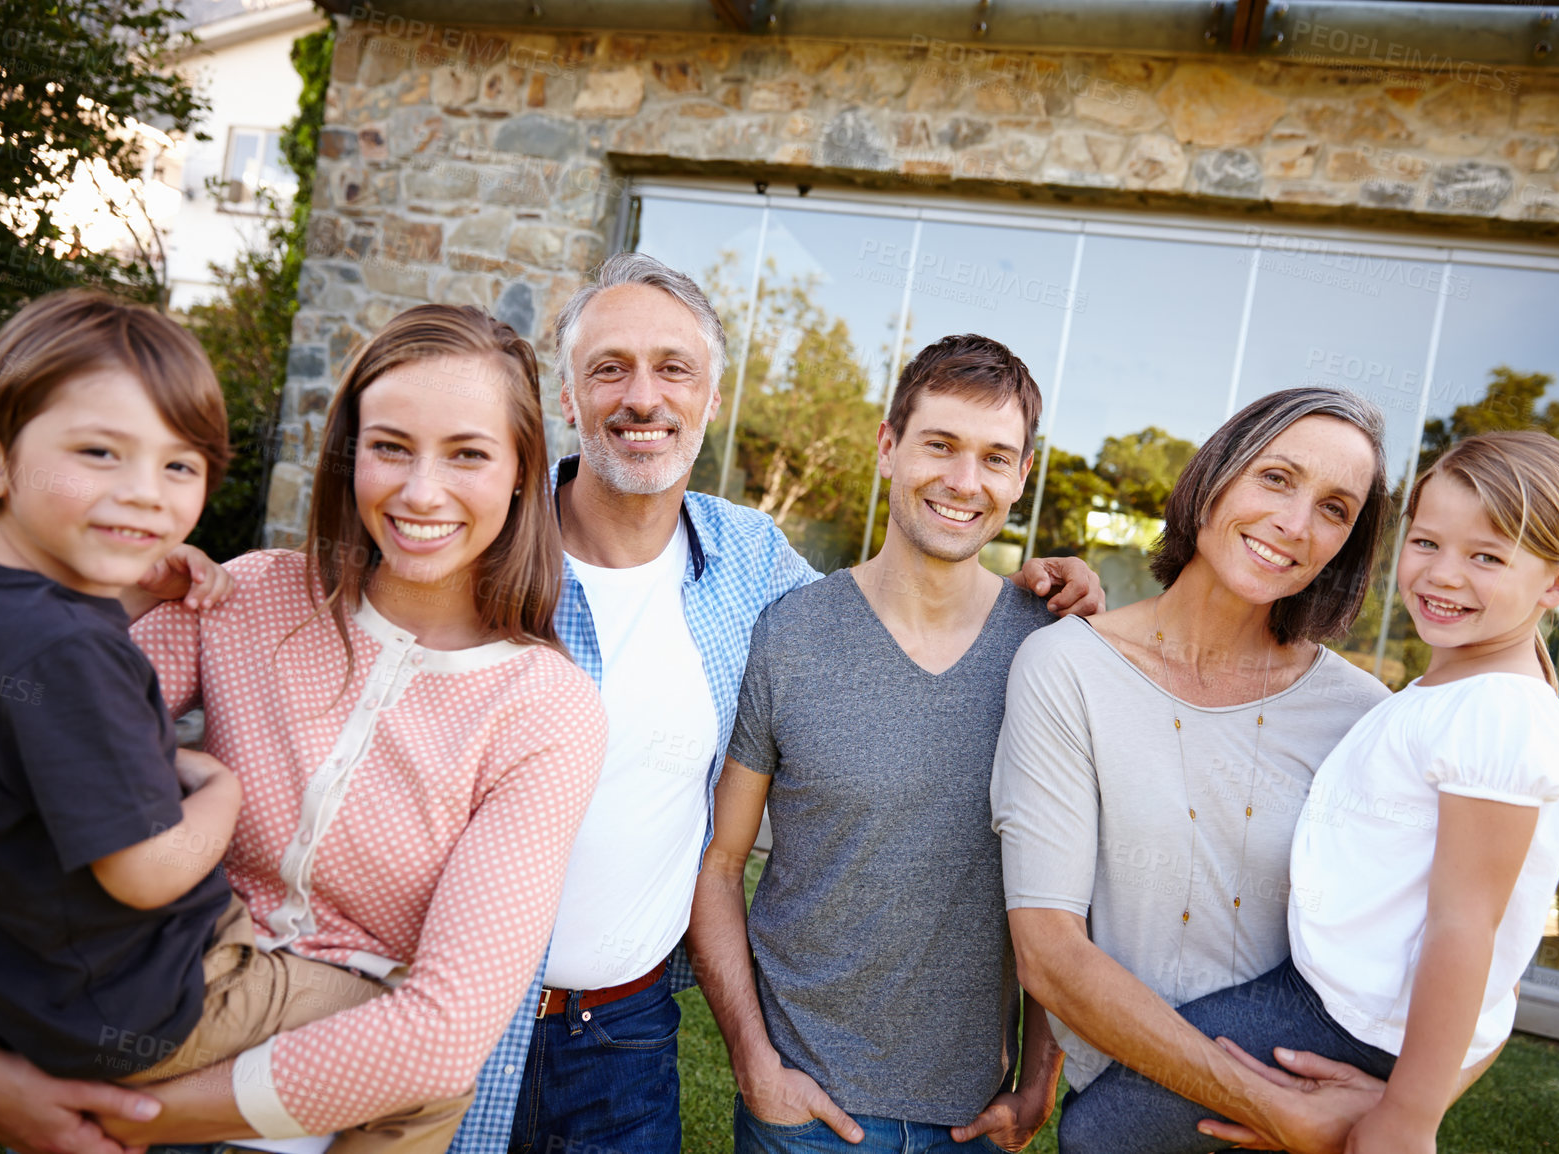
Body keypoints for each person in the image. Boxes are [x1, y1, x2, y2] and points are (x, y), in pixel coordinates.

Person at [462, 254, 1101, 1154]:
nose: (644, 397)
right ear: (568, 393)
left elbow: (886, 622)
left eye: (675, 369)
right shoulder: (475, 550)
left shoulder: (750, 563)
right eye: (611, 367)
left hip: (627, 1038)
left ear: (710, 399)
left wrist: (1060, 592)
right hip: (456, 1008)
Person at [0, 304, 607, 1154]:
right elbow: (4, 757)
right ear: (349, 453)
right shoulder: (244, 598)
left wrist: (128, 1119)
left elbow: (443, 1033)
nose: (419, 492)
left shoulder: (545, 709)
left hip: (324, 1086)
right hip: (151, 998)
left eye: (468, 454)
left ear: (523, 471)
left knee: (433, 1083)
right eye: (390, 446)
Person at [1055, 430, 1559, 1154]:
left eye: (1487, 558)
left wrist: (1407, 1119)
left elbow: (1468, 927)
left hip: (1347, 1021)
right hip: (1320, 994)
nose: (1443, 575)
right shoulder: (1460, 688)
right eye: (1428, 543)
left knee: (1101, 1134)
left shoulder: (1494, 711)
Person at [993, 388, 1416, 1154]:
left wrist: (1404, 1105)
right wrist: (1273, 1111)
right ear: (1214, 477)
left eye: (1334, 509)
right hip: (1149, 1123)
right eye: (1277, 478)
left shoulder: (1363, 717)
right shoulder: (1068, 670)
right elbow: (1050, 955)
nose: (1294, 524)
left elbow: (1464, 939)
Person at [691, 334, 1065, 1154]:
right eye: (940, 445)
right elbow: (719, 865)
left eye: (996, 457)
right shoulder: (790, 635)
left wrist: (1041, 1076)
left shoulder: (1053, 652)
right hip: (801, 1111)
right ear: (889, 449)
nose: (966, 481)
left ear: (1021, 477)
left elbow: (1070, 888)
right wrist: (754, 1062)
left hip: (971, 1118)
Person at [0, 290, 240, 1086]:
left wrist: (134, 596)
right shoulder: (73, 653)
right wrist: (220, 788)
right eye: (101, 453)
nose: (148, 491)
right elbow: (146, 871)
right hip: (139, 1002)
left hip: (23, 990)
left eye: (178, 464)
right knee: (413, 1052)